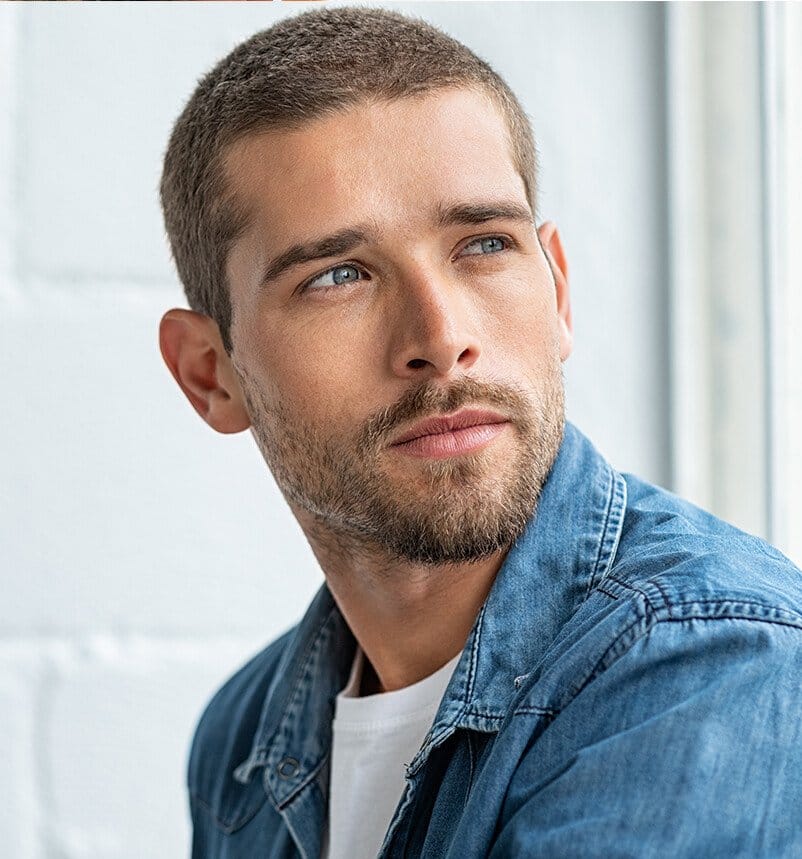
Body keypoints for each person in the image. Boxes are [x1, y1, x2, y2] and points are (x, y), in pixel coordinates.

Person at [157, 8, 802, 858]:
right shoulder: (244, 740)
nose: (440, 336)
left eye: (485, 244)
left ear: (558, 292)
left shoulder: (712, 659)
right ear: (212, 372)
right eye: (340, 275)